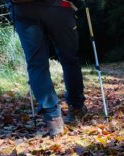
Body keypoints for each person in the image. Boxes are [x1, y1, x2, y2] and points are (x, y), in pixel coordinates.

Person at [8, 0, 87, 137]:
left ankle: (53, 119)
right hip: (59, 7)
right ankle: (76, 108)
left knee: (36, 64)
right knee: (69, 59)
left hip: (22, 8)